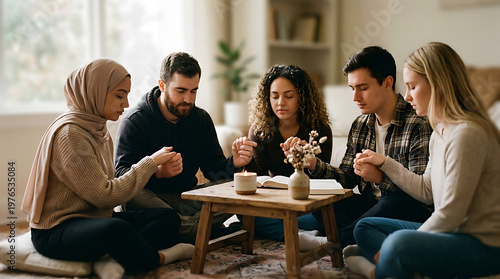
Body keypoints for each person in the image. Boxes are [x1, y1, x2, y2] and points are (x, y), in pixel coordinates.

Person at [21, 59, 194, 279]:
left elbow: (107, 193)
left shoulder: (97, 127)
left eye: (127, 95)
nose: (126, 103)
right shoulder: (71, 135)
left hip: (92, 219)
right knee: (115, 229)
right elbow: (106, 196)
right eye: (119, 95)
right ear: (95, 92)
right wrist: (150, 163)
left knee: (167, 217)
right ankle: (159, 257)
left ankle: (114, 255)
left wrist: (155, 168)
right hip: (56, 230)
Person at [345, 41, 500, 279]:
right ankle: (397, 264)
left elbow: (449, 215)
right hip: (452, 233)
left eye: (412, 87)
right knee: (366, 227)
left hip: (481, 245)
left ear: (438, 85)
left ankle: (379, 269)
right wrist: (385, 162)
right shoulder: (440, 131)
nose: (406, 96)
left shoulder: (467, 134)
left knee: (397, 243)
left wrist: (400, 244)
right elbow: (426, 191)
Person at [284, 46, 433, 248]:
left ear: (387, 82)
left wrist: (380, 178)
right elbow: (346, 178)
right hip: (370, 207)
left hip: (406, 210)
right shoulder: (360, 124)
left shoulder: (418, 123)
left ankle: (331, 242)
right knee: (323, 199)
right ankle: (350, 236)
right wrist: (312, 164)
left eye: (363, 88)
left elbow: (421, 194)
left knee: (395, 201)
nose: (355, 97)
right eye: (352, 89)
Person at [114, 52, 256, 243]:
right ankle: (205, 231)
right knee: (132, 196)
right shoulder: (134, 121)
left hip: (187, 199)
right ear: (162, 85)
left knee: (236, 187)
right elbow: (121, 176)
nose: (188, 99)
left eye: (193, 91)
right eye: (180, 91)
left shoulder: (201, 119)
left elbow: (214, 172)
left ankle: (180, 230)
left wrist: (235, 162)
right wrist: (155, 171)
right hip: (150, 200)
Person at [245, 64, 333, 250]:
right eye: (274, 96)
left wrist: (306, 159)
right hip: (274, 203)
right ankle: (297, 235)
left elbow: (325, 179)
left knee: (329, 215)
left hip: (306, 205)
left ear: (302, 97)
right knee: (245, 214)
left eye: (289, 96)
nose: (280, 103)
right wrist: (243, 161)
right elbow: (257, 178)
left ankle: (286, 230)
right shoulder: (260, 131)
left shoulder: (319, 130)